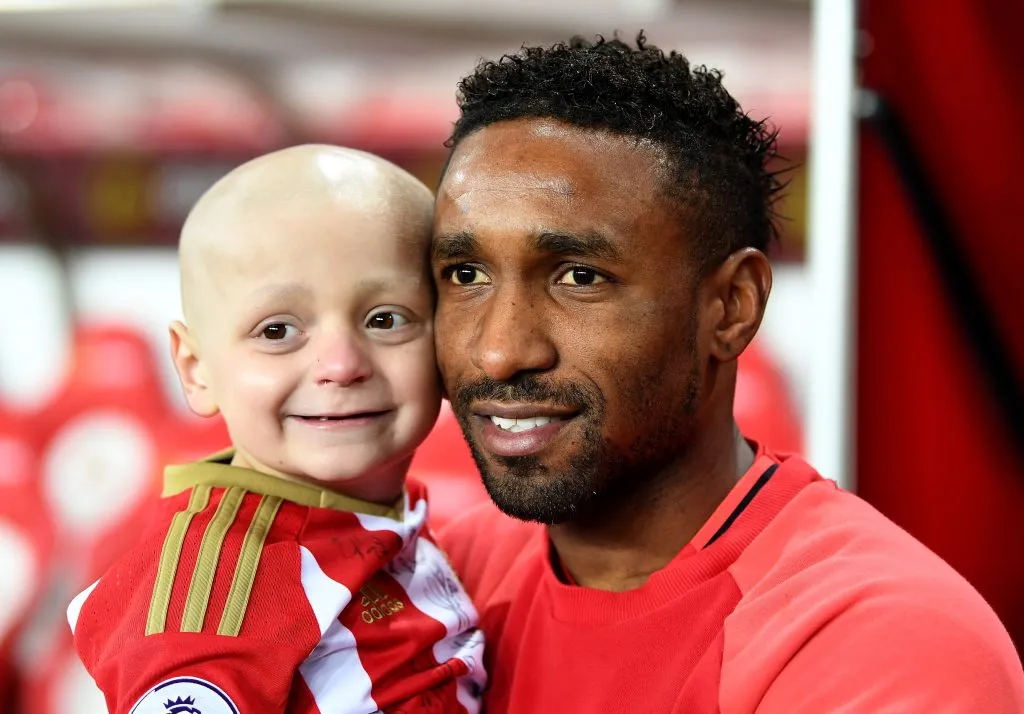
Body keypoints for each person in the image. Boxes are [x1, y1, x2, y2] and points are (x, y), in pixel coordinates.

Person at [433, 34, 1024, 712]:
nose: (499, 351)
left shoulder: (887, 639)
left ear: (732, 306)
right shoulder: (440, 578)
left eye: (580, 277)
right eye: (466, 275)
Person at [66, 145, 485, 713]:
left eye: (385, 320)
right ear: (197, 369)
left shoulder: (385, 512)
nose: (341, 364)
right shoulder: (214, 603)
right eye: (277, 331)